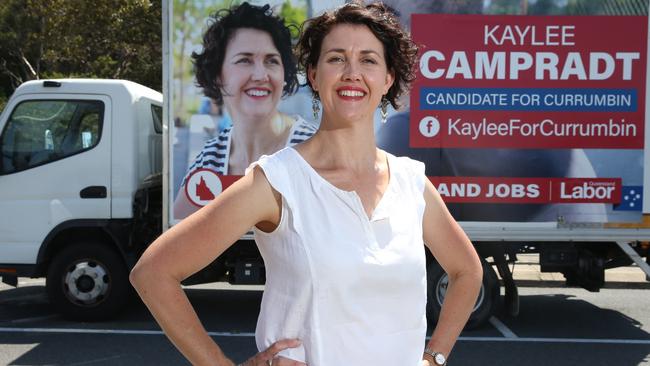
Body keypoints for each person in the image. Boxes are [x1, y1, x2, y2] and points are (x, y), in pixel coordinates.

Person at [131, 2, 482, 365]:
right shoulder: (277, 182)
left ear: (389, 78)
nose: (352, 72)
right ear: (313, 75)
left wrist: (434, 358)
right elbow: (154, 273)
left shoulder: (411, 183)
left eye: (368, 60)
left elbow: (467, 271)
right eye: (336, 59)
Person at [174, 2, 317, 219]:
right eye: (245, 60)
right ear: (217, 75)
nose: (260, 74)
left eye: (271, 61)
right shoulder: (211, 157)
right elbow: (178, 230)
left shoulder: (314, 149)